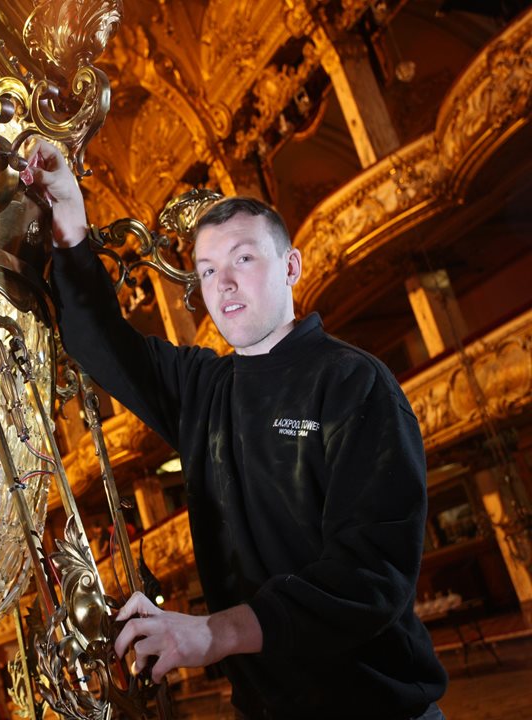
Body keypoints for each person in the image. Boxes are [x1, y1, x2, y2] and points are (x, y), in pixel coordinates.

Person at [24, 138, 448, 720]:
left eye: (243, 259)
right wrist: (69, 213)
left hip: (375, 707)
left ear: (291, 266)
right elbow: (102, 342)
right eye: (206, 270)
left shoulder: (354, 384)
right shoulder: (205, 387)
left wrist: (213, 635)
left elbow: (370, 573)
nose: (222, 284)